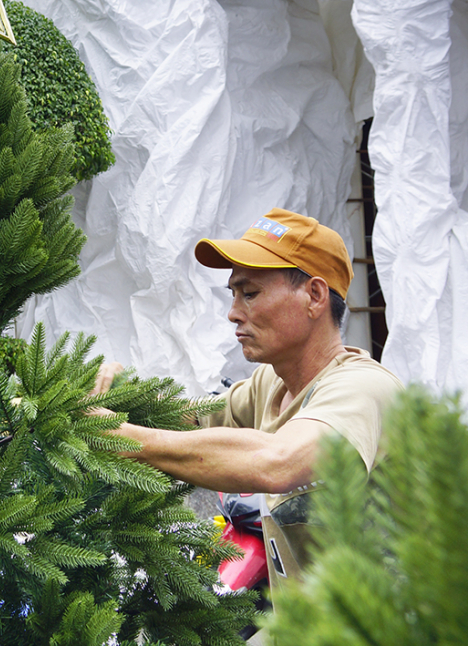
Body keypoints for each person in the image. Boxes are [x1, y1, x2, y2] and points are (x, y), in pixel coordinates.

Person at [93, 208, 402, 604]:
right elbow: (189, 416)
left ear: (314, 296)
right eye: (234, 294)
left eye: (250, 293)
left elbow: (278, 461)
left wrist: (121, 439)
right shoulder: (270, 385)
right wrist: (118, 390)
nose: (233, 312)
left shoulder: (363, 389)